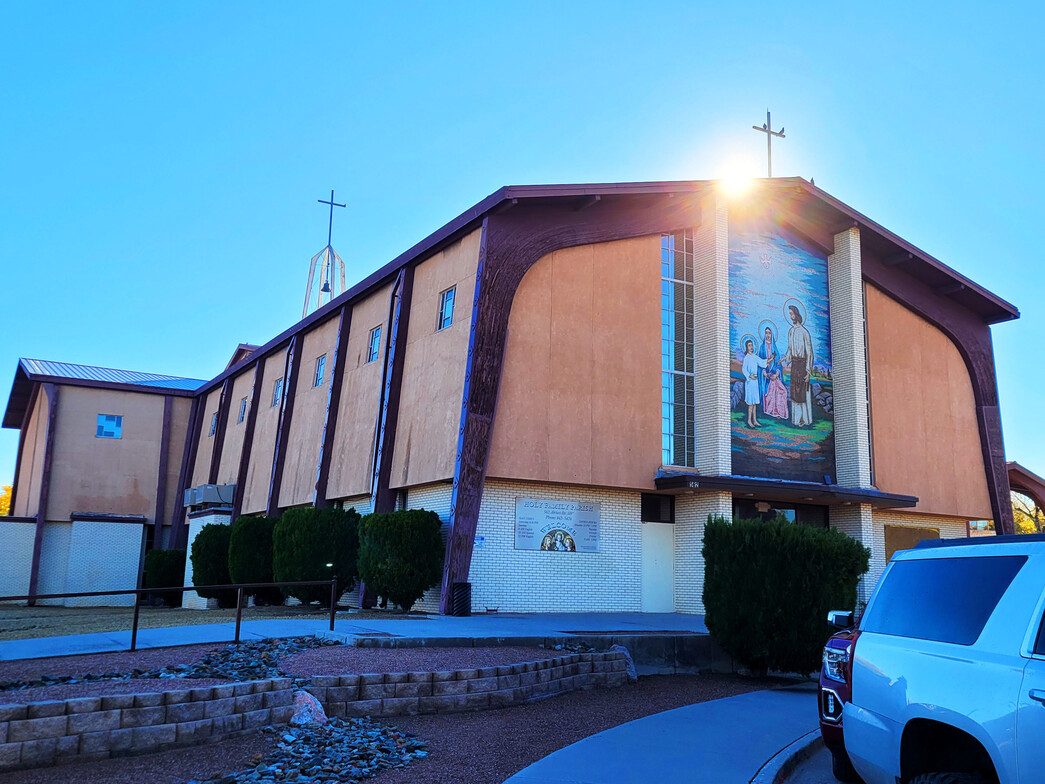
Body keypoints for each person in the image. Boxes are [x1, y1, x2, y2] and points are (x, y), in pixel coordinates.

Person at [783, 305, 815, 427]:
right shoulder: (791, 331)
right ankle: (796, 420)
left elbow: (809, 352)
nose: (791, 316)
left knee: (802, 392)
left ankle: (804, 419)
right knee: (795, 392)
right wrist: (785, 358)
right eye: (789, 314)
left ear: (797, 314)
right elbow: (790, 349)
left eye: (792, 313)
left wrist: (808, 371)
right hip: (795, 365)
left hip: (802, 364)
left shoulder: (804, 332)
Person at [758, 326, 787, 419]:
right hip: (766, 377)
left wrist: (776, 374)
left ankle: (778, 411)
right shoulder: (762, 348)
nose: (767, 335)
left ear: (772, 334)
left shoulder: (775, 348)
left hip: (774, 376)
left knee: (782, 390)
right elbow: (760, 363)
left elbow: (778, 364)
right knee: (770, 389)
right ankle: (770, 410)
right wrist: (765, 374)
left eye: (769, 333)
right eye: (766, 333)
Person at [742, 339, 770, 428]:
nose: (751, 347)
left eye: (752, 345)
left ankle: (755, 420)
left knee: (754, 402)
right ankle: (749, 420)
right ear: (746, 347)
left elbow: (762, 362)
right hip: (750, 382)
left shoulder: (754, 356)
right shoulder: (746, 358)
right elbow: (744, 369)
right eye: (749, 346)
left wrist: (770, 359)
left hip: (755, 382)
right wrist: (750, 376)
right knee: (750, 403)